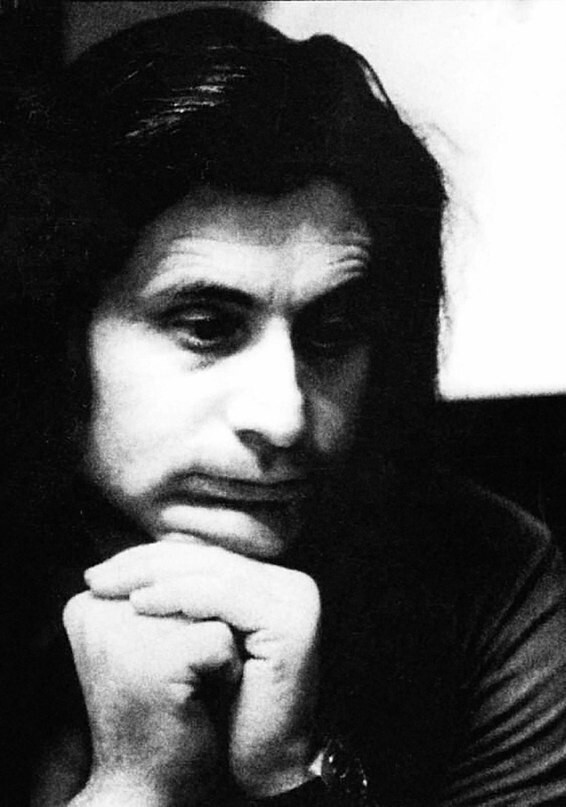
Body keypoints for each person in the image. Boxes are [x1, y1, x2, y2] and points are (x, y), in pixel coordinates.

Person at [2, 7, 566, 806]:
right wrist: (134, 785)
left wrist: (288, 775)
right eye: (206, 326)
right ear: (52, 333)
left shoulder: (492, 577)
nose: (286, 417)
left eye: (332, 332)